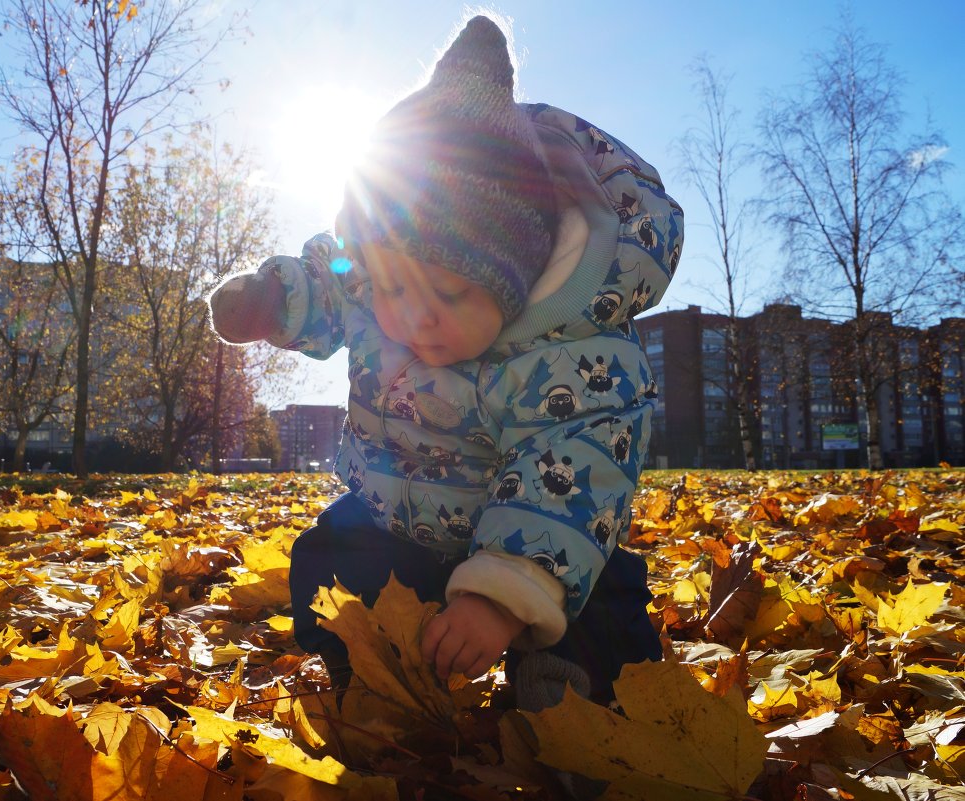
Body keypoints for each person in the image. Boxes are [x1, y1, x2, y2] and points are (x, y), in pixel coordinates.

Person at [209, 15, 683, 711]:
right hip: (397, 518)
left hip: (536, 531)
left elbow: (574, 476)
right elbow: (333, 279)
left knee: (603, 600)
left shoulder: (572, 352)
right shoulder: (376, 286)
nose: (415, 315)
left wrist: (498, 597)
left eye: (453, 293)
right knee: (328, 561)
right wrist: (271, 300)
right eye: (395, 285)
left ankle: (567, 699)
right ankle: (378, 663)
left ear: (517, 278)